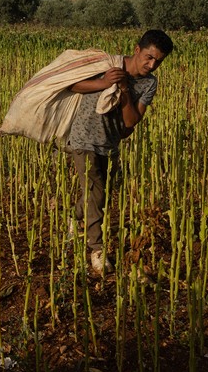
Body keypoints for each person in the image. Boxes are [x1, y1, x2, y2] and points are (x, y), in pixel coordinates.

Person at [66, 29, 173, 276]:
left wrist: (124, 89)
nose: (152, 64)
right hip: (84, 139)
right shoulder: (107, 64)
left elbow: (131, 121)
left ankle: (74, 217)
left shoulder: (149, 83)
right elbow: (73, 84)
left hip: (111, 143)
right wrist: (104, 82)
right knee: (98, 193)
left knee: (99, 190)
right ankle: (97, 250)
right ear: (137, 50)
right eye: (148, 57)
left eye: (158, 61)